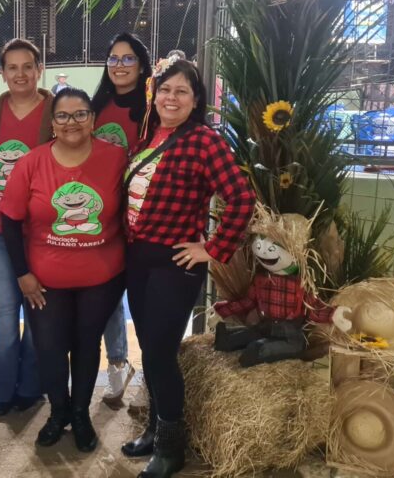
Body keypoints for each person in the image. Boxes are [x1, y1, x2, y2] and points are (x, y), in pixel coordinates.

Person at [121, 60, 255, 478]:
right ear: (154, 94)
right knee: (150, 349)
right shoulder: (147, 136)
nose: (171, 98)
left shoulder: (204, 141)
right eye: (165, 89)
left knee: (161, 353)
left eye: (181, 91)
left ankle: (171, 447)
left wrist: (212, 248)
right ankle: (154, 429)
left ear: (196, 100)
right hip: (138, 260)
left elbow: (241, 198)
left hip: (174, 264)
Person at [0, 88, 128, 452]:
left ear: (93, 119)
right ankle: (59, 413)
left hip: (101, 277)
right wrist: (22, 274)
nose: (72, 122)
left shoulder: (117, 159)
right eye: (63, 115)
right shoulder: (31, 163)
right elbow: (10, 222)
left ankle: (81, 414)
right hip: (45, 281)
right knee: (50, 347)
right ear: (52, 123)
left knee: (87, 345)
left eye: (80, 114)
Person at [0, 39, 54, 417]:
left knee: (38, 311)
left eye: (27, 66)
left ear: (39, 69)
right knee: (5, 310)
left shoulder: (56, 111)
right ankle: (3, 390)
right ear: (2, 73)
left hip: (41, 232)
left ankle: (31, 387)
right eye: (12, 67)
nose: (20, 74)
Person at [90, 32, 153, 406]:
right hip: (104, 217)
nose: (119, 65)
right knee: (107, 295)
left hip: (145, 220)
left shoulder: (153, 111)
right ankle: (117, 364)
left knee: (145, 301)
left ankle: (153, 375)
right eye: (113, 58)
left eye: (128, 58)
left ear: (142, 65)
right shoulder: (95, 106)